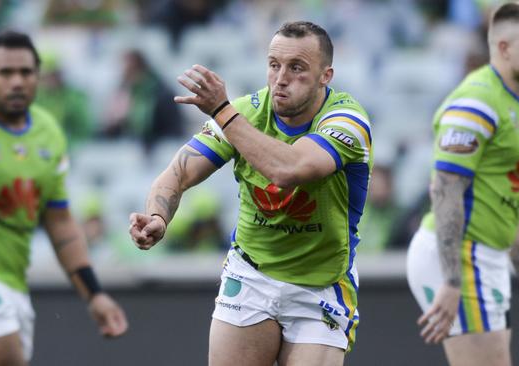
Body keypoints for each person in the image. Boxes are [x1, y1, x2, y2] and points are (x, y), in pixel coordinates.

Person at [130, 21, 373, 366]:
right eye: (274, 65)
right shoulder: (246, 112)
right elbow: (178, 172)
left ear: (325, 76)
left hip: (321, 284)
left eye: (297, 68)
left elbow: (289, 170)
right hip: (251, 276)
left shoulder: (347, 121)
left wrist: (223, 112)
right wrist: (158, 216)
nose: (281, 78)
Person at [0, 30, 128, 365]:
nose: (17, 81)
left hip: (13, 282)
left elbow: (60, 222)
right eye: (6, 72)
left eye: (26, 72)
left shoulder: (47, 132)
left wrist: (94, 295)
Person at [406, 2, 519, 365]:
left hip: (485, 256)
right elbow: (444, 193)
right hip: (463, 254)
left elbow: (515, 202)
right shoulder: (477, 101)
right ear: (503, 47)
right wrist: (453, 280)